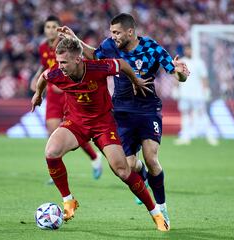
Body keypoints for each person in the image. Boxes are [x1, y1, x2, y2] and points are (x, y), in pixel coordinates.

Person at [57, 13, 190, 229]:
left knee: (151, 157)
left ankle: (162, 207)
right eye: (112, 32)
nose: (113, 36)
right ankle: (143, 177)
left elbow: (175, 73)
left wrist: (181, 73)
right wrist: (75, 38)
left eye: (117, 32)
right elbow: (93, 55)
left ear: (130, 31)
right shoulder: (110, 46)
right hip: (120, 111)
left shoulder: (152, 48)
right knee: (128, 165)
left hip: (148, 110)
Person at [31, 38, 169, 231]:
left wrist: (135, 80)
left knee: (122, 170)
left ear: (78, 59)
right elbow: (44, 77)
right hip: (76, 123)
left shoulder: (97, 68)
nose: (59, 66)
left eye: (64, 62)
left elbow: (121, 64)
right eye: (58, 61)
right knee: (51, 152)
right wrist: (38, 94)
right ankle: (69, 201)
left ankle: (156, 212)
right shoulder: (57, 72)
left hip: (104, 125)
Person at [30, 16, 103, 182]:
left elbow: (79, 65)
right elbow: (44, 66)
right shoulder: (42, 47)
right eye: (47, 27)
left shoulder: (66, 45)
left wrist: (65, 83)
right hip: (51, 92)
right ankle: (56, 167)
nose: (50, 30)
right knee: (51, 130)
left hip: (69, 92)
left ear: (58, 29)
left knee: (72, 129)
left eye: (53, 27)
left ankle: (93, 157)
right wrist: (36, 78)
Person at [173, 44, 219, 146]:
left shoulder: (199, 62)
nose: (188, 51)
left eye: (190, 49)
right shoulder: (181, 62)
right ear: (184, 50)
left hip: (197, 94)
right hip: (184, 93)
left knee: (202, 114)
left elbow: (204, 77)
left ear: (193, 50)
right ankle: (185, 137)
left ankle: (210, 136)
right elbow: (177, 76)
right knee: (185, 114)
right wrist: (176, 88)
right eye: (186, 49)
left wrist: (206, 90)